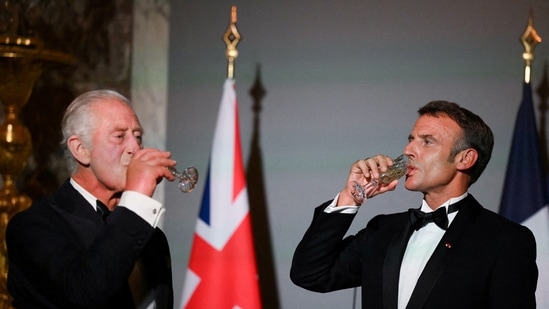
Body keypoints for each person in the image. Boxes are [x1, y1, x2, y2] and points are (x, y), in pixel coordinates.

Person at [290, 101, 538, 308]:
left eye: (427, 141)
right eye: (411, 140)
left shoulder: (504, 240)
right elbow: (310, 275)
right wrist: (350, 197)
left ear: (465, 158)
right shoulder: (382, 231)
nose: (408, 149)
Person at [6, 90, 176, 308]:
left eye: (138, 136)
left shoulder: (153, 239)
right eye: (119, 136)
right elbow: (84, 295)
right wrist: (137, 197)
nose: (135, 148)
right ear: (81, 149)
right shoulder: (33, 226)